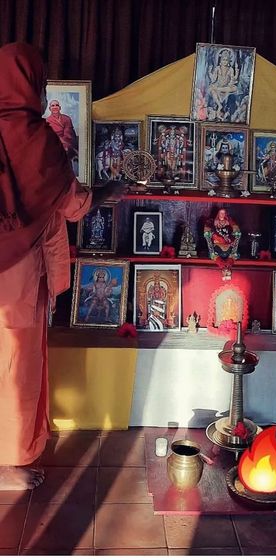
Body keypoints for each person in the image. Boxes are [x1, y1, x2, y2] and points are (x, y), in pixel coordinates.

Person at [0, 43, 124, 490]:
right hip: (14, 272)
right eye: (41, 81)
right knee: (17, 364)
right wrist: (110, 191)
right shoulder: (34, 138)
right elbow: (73, 204)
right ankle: (9, 463)